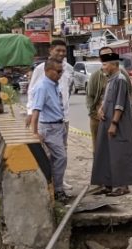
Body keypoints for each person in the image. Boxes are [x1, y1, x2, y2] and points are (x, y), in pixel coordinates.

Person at [90, 52, 132, 196]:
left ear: (113, 64)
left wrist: (114, 123)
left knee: (119, 154)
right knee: (105, 153)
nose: (103, 68)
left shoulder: (120, 80)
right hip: (105, 122)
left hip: (117, 124)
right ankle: (108, 184)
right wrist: (101, 109)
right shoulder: (111, 79)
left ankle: (122, 186)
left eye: (105, 65)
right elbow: (107, 100)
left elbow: (119, 104)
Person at [27, 39, 75, 191]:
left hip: (62, 117)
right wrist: (31, 114)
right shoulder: (41, 69)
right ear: (50, 51)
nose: (61, 53)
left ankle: (60, 179)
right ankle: (53, 184)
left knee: (62, 151)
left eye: (63, 51)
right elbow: (32, 92)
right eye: (58, 50)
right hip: (46, 120)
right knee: (53, 154)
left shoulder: (68, 68)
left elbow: (69, 89)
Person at [29, 59, 69, 202]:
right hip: (49, 127)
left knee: (55, 159)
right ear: (47, 71)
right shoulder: (42, 87)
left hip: (58, 125)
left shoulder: (54, 85)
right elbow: (36, 111)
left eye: (61, 71)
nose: (60, 74)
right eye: (58, 71)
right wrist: (35, 132)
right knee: (61, 157)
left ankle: (54, 187)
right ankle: (58, 190)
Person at [86, 46, 132, 154]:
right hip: (98, 119)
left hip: (117, 120)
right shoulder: (95, 76)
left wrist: (124, 114)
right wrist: (94, 113)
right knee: (99, 151)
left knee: (117, 150)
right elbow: (89, 96)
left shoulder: (121, 76)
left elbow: (129, 93)